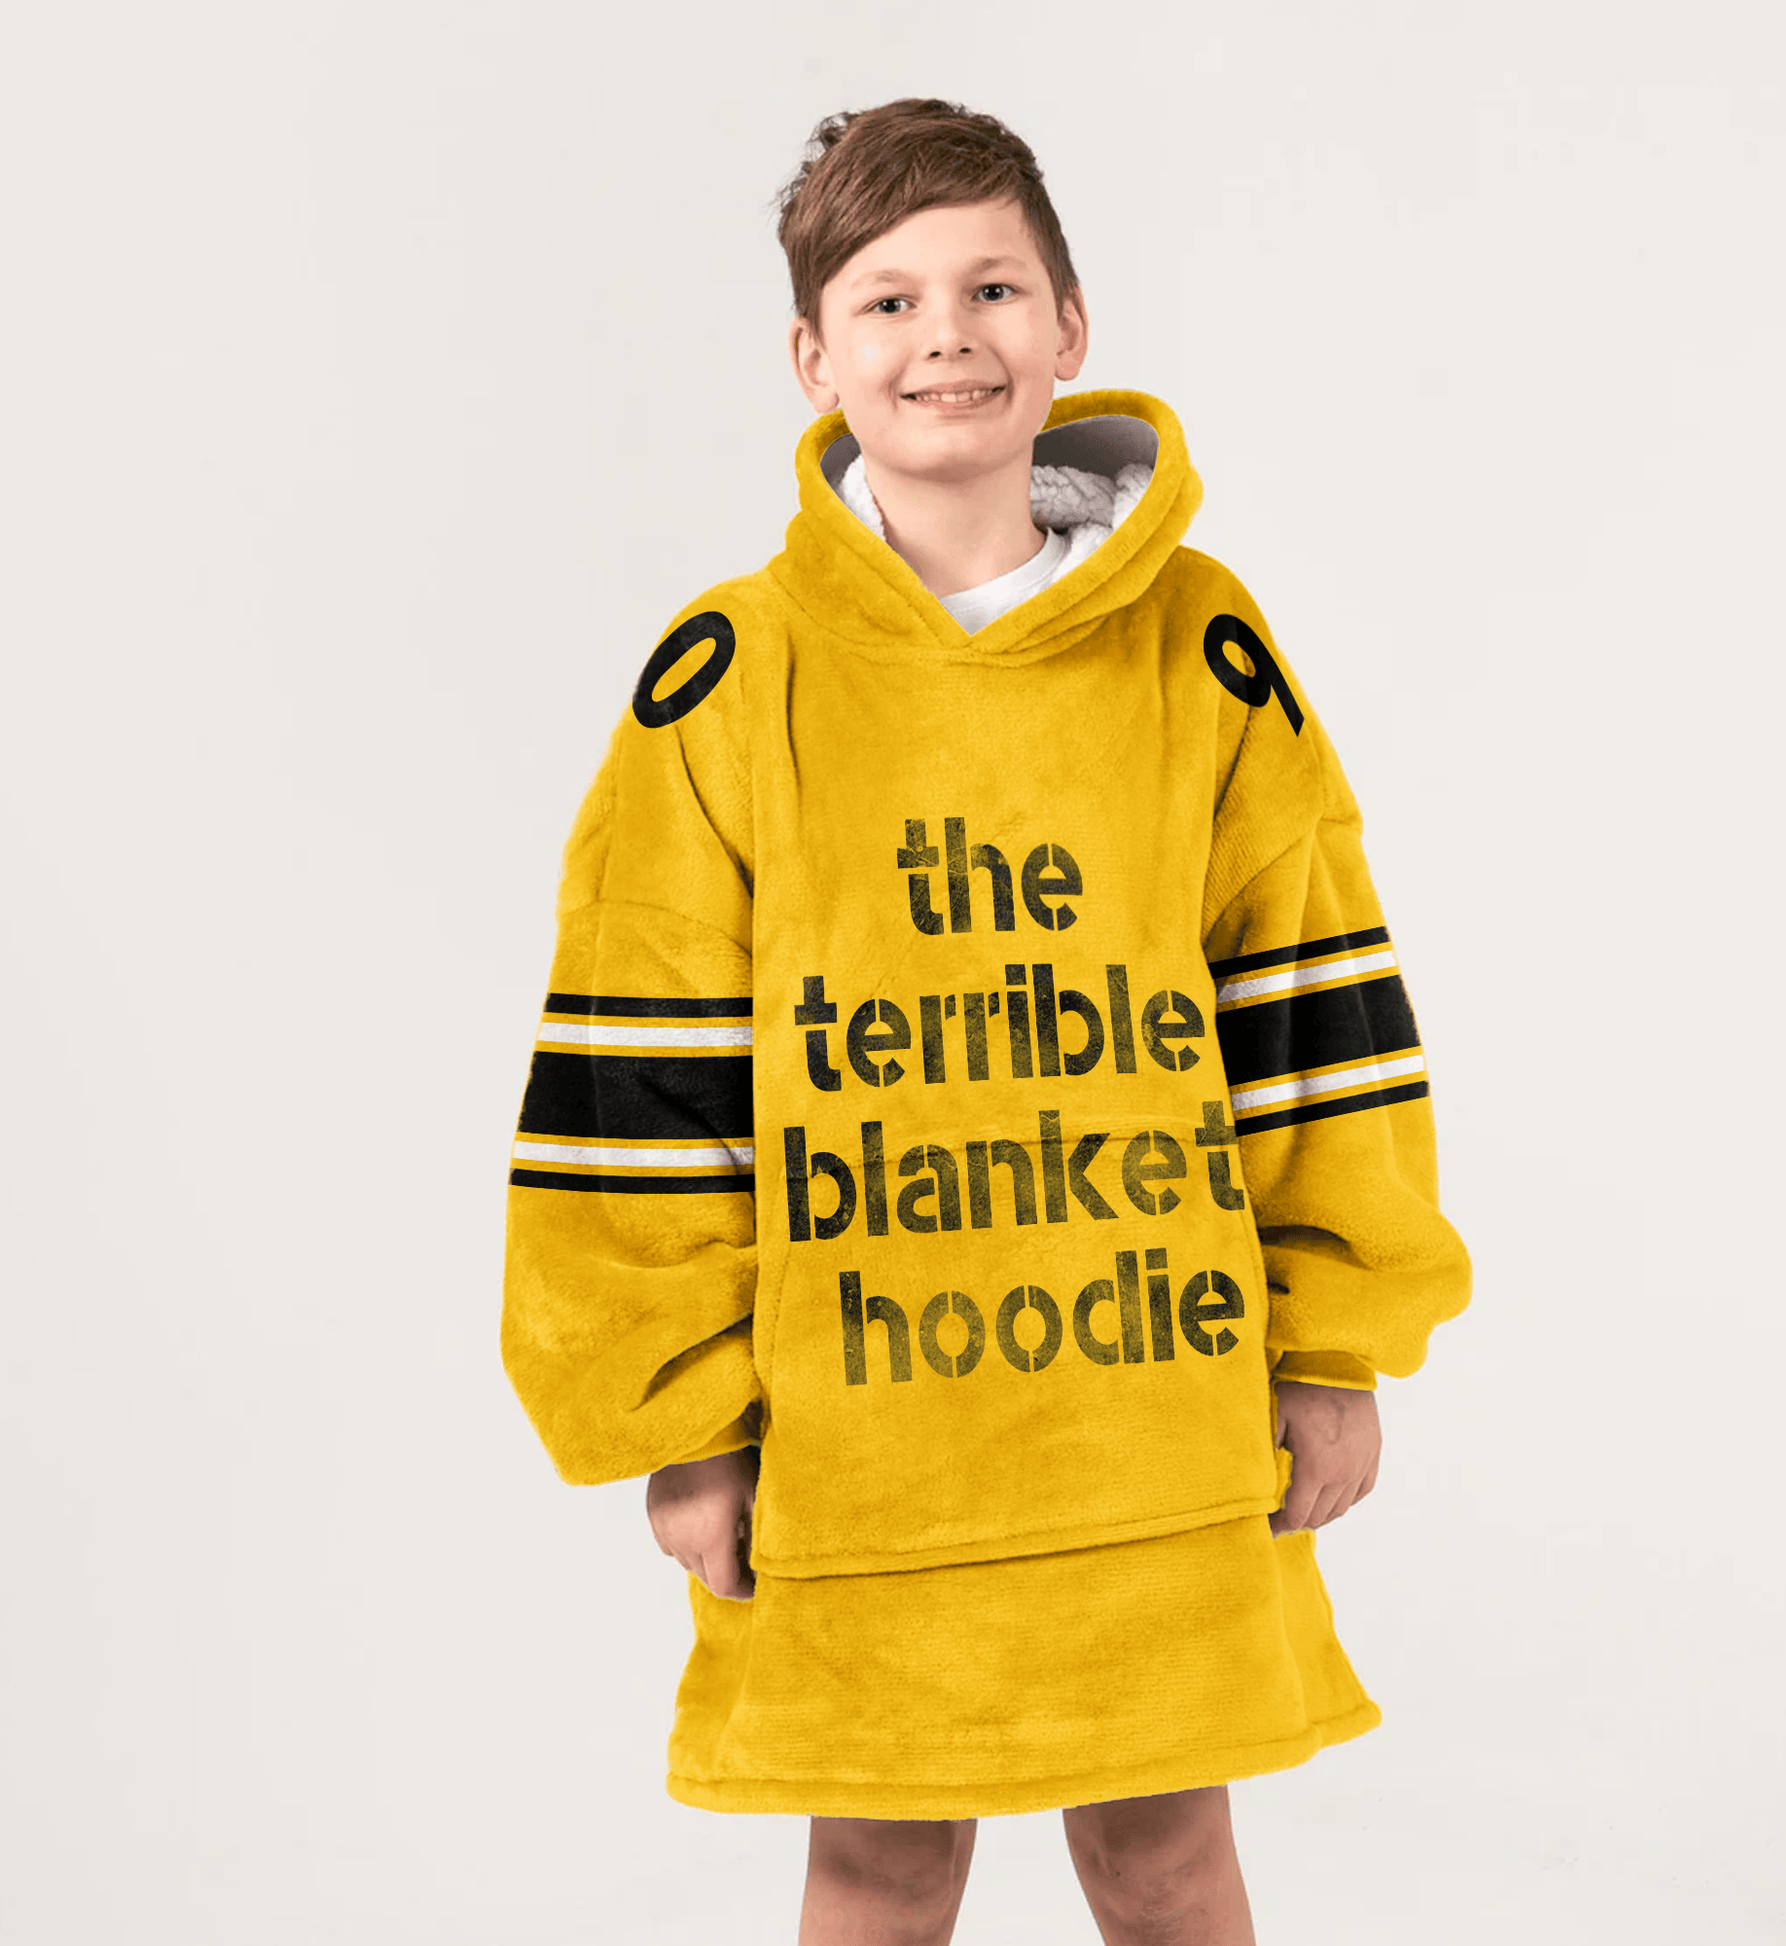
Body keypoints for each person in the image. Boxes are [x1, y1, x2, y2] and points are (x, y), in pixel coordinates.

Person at [500, 96, 1472, 1945]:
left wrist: (1335, 1336)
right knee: (880, 1862)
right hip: (858, 1443)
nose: (943, 334)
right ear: (813, 359)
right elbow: (639, 1058)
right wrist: (683, 1416)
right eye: (886, 301)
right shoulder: (730, 679)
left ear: (1069, 326)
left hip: (1151, 1417)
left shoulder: (1198, 647)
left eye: (991, 287)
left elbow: (1309, 1001)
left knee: (1165, 1851)